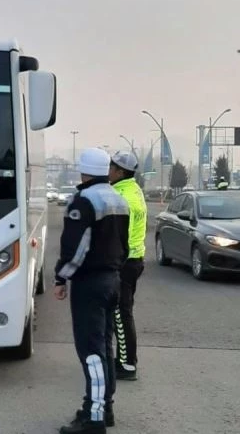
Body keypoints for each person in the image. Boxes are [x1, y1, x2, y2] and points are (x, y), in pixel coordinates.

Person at [54, 147, 130, 434]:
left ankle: (93, 418)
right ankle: (103, 407)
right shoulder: (119, 199)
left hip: (90, 283)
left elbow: (76, 249)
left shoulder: (84, 201)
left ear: (83, 170)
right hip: (113, 280)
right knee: (104, 347)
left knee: (91, 351)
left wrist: (61, 278)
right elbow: (123, 245)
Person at [109, 151, 148, 381]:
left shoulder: (122, 197)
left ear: (120, 171)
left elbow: (117, 236)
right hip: (134, 260)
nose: (109, 170)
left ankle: (127, 364)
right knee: (123, 312)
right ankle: (124, 359)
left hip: (125, 262)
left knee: (121, 314)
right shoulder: (134, 190)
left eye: (112, 167)